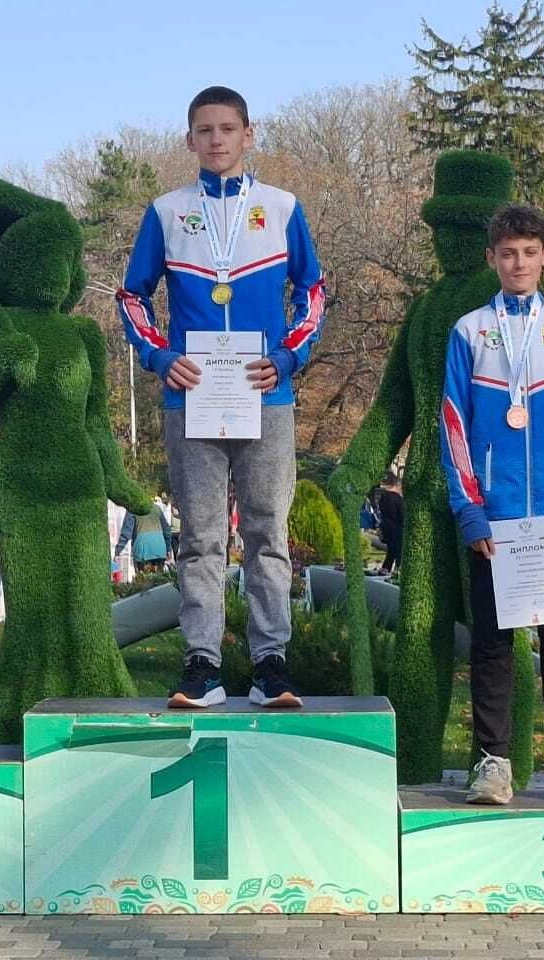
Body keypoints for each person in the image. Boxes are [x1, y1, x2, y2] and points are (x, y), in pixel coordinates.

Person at [117, 85, 325, 709]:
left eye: (227, 129)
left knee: (267, 532)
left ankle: (270, 664)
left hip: (265, 393)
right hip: (194, 395)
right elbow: (132, 296)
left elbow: (312, 292)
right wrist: (160, 357)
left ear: (247, 134)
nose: (216, 140)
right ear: (189, 139)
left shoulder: (282, 208)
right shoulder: (166, 212)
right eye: (204, 130)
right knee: (202, 536)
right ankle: (202, 663)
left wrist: (288, 356)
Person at [439, 204, 544, 806]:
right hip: (497, 519)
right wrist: (470, 509)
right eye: (508, 253)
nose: (519, 263)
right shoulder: (469, 332)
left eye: (530, 252)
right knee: (492, 641)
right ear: (492, 258)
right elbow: (454, 424)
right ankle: (493, 762)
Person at [114, 504, 173, 573]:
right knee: (159, 577)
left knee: (144, 578)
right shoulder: (156, 508)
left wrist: (117, 551)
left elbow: (126, 533)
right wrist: (168, 548)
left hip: (143, 551)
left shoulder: (132, 509)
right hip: (160, 549)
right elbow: (167, 530)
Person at [375, 473, 406, 574]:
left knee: (391, 553)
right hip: (397, 530)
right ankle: (398, 571)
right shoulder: (399, 500)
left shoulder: (383, 498)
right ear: (397, 485)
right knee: (399, 553)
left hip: (386, 528)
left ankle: (385, 569)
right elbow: (402, 516)